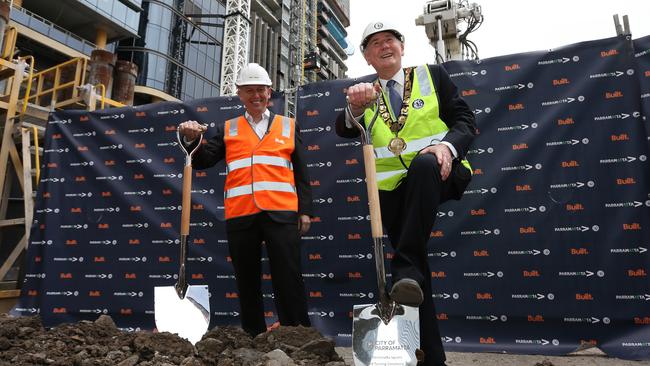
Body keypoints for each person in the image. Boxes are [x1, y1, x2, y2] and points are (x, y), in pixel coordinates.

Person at [336, 21, 477, 366]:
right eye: (375, 44)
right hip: (394, 195)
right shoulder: (365, 94)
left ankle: (405, 265)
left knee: (426, 165)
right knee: (413, 276)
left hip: (439, 173)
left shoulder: (433, 76)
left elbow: (466, 121)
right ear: (368, 58)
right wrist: (354, 108)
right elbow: (342, 128)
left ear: (402, 47)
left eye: (390, 41)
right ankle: (432, 357)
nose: (384, 47)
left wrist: (446, 147)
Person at [178, 63, 313, 337]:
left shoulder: (288, 126)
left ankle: (297, 333)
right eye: (249, 90)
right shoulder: (228, 129)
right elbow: (203, 160)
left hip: (282, 213)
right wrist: (193, 139)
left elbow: (301, 172)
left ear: (269, 93)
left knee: (288, 277)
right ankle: (254, 334)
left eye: (260, 90)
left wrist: (305, 211)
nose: (256, 96)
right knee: (247, 279)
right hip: (241, 215)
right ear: (239, 94)